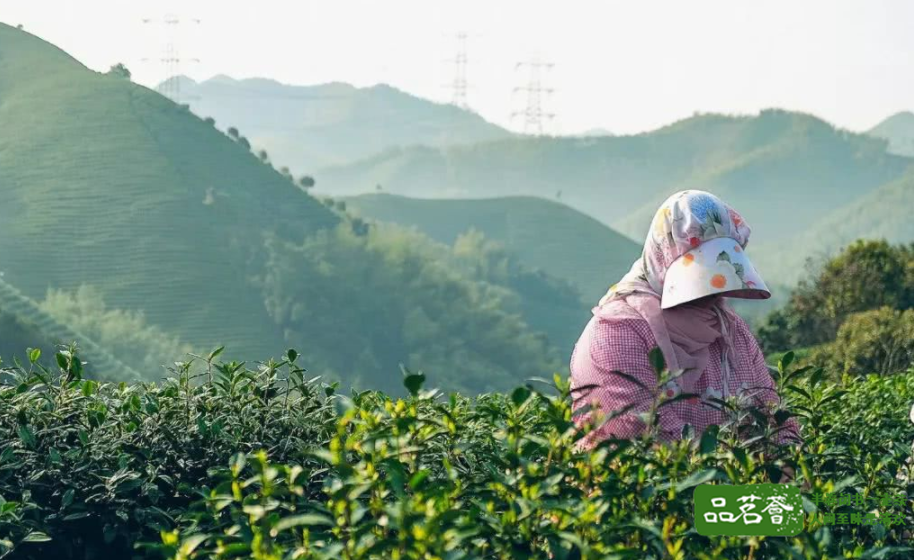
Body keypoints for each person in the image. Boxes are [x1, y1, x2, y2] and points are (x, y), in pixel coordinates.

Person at [570, 190, 800, 449]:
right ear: (662, 260)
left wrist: (790, 472)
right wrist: (749, 484)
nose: (711, 292)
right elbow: (651, 441)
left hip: (736, 488)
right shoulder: (618, 333)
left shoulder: (731, 330)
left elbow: (774, 417)